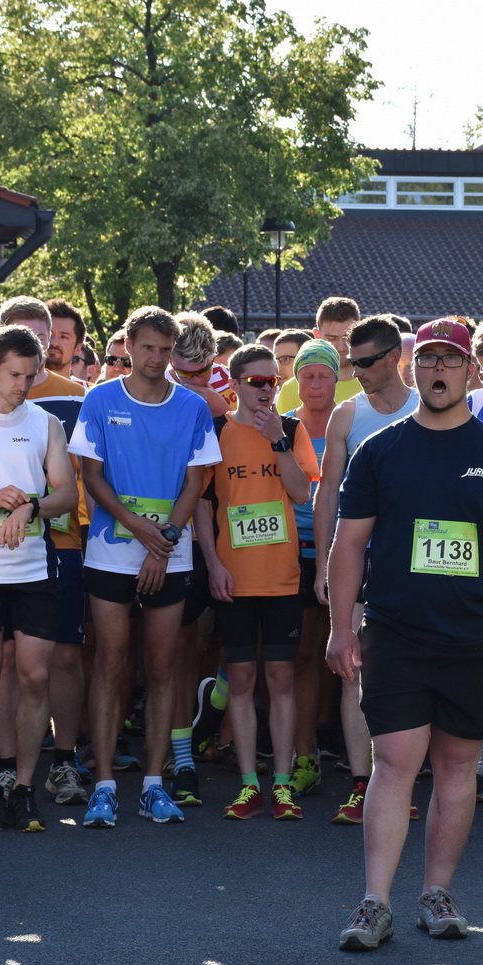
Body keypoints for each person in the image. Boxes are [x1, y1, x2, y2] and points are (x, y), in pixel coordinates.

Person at [329, 318, 483, 950]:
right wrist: (342, 627)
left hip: (480, 635)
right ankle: (374, 902)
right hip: (396, 633)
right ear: (411, 368)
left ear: (470, 371)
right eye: (429, 361)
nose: (440, 371)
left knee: (458, 763)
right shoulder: (380, 450)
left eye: (452, 361)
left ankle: (437, 891)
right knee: (393, 760)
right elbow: (350, 544)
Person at [72, 306, 220, 828]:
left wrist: (165, 544)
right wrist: (139, 529)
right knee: (111, 665)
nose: (156, 358)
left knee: (162, 669)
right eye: (147, 348)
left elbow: (195, 483)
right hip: (113, 551)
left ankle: (154, 784)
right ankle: (106, 784)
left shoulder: (194, 407)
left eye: (165, 349)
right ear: (129, 346)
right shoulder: (100, 398)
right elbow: (91, 478)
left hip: (170, 553)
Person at [0, 324, 78, 835]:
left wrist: (30, 504)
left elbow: (67, 496)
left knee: (34, 677)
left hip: (34, 570)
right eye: (13, 374)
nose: (22, 385)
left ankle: (24, 788)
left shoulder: (46, 422)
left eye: (30, 376)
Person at [199, 344, 320, 819]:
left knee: (282, 678)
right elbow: (202, 510)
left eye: (273, 381)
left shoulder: (291, 428)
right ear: (235, 385)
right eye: (257, 382)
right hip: (233, 576)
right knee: (243, 678)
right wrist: (212, 565)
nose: (268, 389)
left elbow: (300, 492)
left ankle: (283, 783)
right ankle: (249, 783)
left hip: (283, 577)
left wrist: (278, 442)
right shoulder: (217, 432)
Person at [311, 314, 420, 823]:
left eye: (365, 362)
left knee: (415, 672)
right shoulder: (346, 415)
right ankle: (361, 784)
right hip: (358, 557)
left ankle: (404, 781)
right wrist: (323, 565)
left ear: (394, 357)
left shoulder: (429, 405)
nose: (356, 372)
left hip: (420, 562)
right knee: (351, 672)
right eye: (350, 363)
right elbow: (327, 491)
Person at [285, 339, 341, 797]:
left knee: (350, 655)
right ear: (296, 381)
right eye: (307, 376)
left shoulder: (350, 422)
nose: (315, 383)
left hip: (347, 551)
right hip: (296, 550)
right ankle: (305, 752)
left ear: (337, 378)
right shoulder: (285, 427)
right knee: (305, 655)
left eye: (323, 375)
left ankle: (355, 753)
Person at [275, 297, 363, 413]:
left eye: (347, 337)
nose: (341, 347)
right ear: (317, 335)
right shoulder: (292, 389)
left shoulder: (373, 384)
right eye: (332, 339)